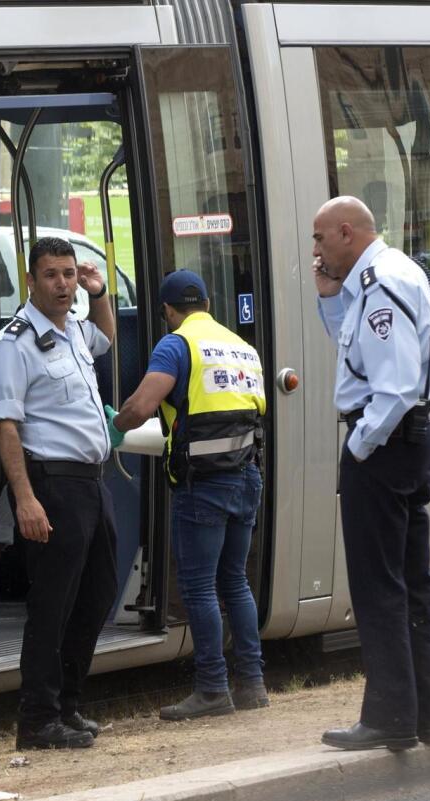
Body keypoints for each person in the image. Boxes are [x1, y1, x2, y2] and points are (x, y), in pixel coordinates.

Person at [310, 196, 430, 751]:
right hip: (413, 439)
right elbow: (361, 351)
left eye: (321, 238)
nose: (316, 251)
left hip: (385, 442)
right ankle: (422, 713)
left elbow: (393, 385)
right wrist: (328, 300)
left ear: (347, 232)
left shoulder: (381, 284)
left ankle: (390, 715)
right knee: (413, 582)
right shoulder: (391, 273)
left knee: (378, 585)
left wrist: (361, 446)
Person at [107, 270, 268, 720]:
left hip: (203, 485)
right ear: (209, 302)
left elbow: (141, 406)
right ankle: (253, 684)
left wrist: (113, 427)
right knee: (235, 581)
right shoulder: (241, 347)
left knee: (198, 588)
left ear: (167, 310)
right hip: (246, 476)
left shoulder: (176, 344)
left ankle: (213, 688)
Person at [0, 235, 117, 750]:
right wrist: (25, 499)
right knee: (52, 605)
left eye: (68, 274)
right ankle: (37, 718)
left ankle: (67, 705)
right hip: (51, 485)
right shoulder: (12, 346)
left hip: (90, 482)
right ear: (32, 281)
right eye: (52, 276)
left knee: (97, 594)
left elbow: (106, 337)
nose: (63, 284)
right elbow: (5, 427)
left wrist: (98, 290)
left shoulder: (72, 331)